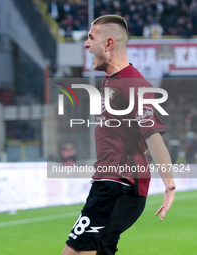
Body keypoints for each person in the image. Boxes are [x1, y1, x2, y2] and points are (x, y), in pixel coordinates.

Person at [62, 15, 175, 255]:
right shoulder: (110, 82)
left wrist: (170, 184)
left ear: (109, 44)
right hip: (109, 183)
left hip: (119, 185)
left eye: (91, 38)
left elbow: (152, 136)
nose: (86, 45)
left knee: (75, 253)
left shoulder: (133, 84)